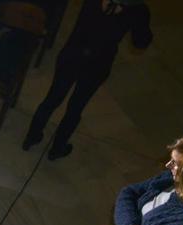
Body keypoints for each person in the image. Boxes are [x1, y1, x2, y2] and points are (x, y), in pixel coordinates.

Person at [23, 0, 153, 160]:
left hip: (74, 56)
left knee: (54, 98)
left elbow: (138, 40)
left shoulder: (136, 10)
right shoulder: (137, 9)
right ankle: (56, 148)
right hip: (95, 64)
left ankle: (32, 138)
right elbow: (140, 41)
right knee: (74, 107)